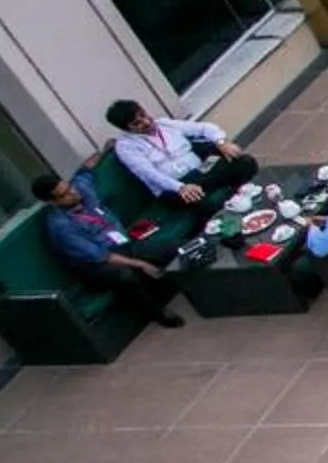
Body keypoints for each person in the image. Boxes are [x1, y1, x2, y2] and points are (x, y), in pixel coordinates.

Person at [29, 171, 185, 327]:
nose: (73, 192)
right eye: (65, 194)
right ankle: (158, 315)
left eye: (69, 187)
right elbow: (100, 255)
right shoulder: (61, 226)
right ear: (52, 202)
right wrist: (141, 264)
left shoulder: (81, 189)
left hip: (122, 244)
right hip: (95, 266)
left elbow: (86, 172)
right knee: (127, 275)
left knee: (172, 247)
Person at [106, 99, 257, 204]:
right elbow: (149, 174)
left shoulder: (164, 124)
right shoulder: (126, 146)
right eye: (137, 123)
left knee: (244, 162)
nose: (146, 122)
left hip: (202, 171)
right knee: (198, 197)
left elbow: (203, 128)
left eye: (144, 116)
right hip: (175, 187)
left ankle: (238, 194)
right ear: (127, 129)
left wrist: (221, 142)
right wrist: (180, 187)